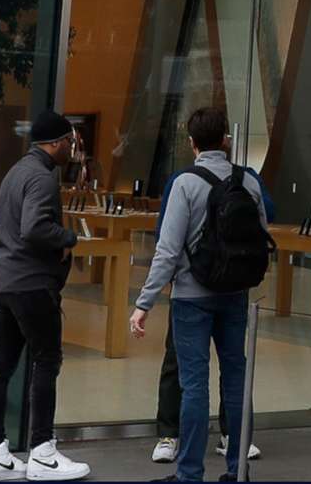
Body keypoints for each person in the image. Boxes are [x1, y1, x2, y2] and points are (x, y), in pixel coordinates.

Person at [131, 105, 272, 484]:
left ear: (192, 142)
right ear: (225, 139)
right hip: (235, 295)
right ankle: (237, 469)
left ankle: (190, 474)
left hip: (192, 297)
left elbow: (168, 249)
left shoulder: (185, 183)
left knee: (193, 384)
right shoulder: (250, 183)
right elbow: (260, 237)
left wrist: (144, 302)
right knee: (236, 376)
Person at [0, 113, 89, 482]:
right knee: (46, 361)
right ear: (55, 143)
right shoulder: (42, 178)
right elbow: (35, 227)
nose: (71, 150)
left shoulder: (15, 173)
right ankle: (42, 451)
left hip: (5, 282)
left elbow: (3, 228)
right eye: (69, 143)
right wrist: (69, 239)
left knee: (0, 367)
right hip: (31, 284)